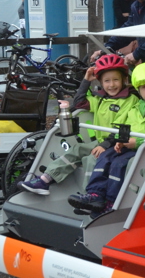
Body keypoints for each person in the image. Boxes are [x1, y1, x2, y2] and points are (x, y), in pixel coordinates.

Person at [17, 54, 138, 195]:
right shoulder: (100, 99)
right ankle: (45, 180)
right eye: (107, 81)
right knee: (77, 149)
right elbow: (79, 102)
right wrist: (86, 80)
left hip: (117, 145)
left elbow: (123, 127)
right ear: (100, 82)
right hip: (101, 143)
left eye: (116, 80)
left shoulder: (131, 100)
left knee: (92, 159)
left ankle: (91, 196)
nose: (111, 85)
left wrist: (104, 145)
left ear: (124, 79)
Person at [68, 62, 145, 214]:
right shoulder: (136, 107)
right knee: (105, 156)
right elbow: (124, 127)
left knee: (118, 164)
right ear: (139, 89)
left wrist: (137, 142)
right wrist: (119, 141)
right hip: (127, 145)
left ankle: (111, 202)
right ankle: (95, 195)